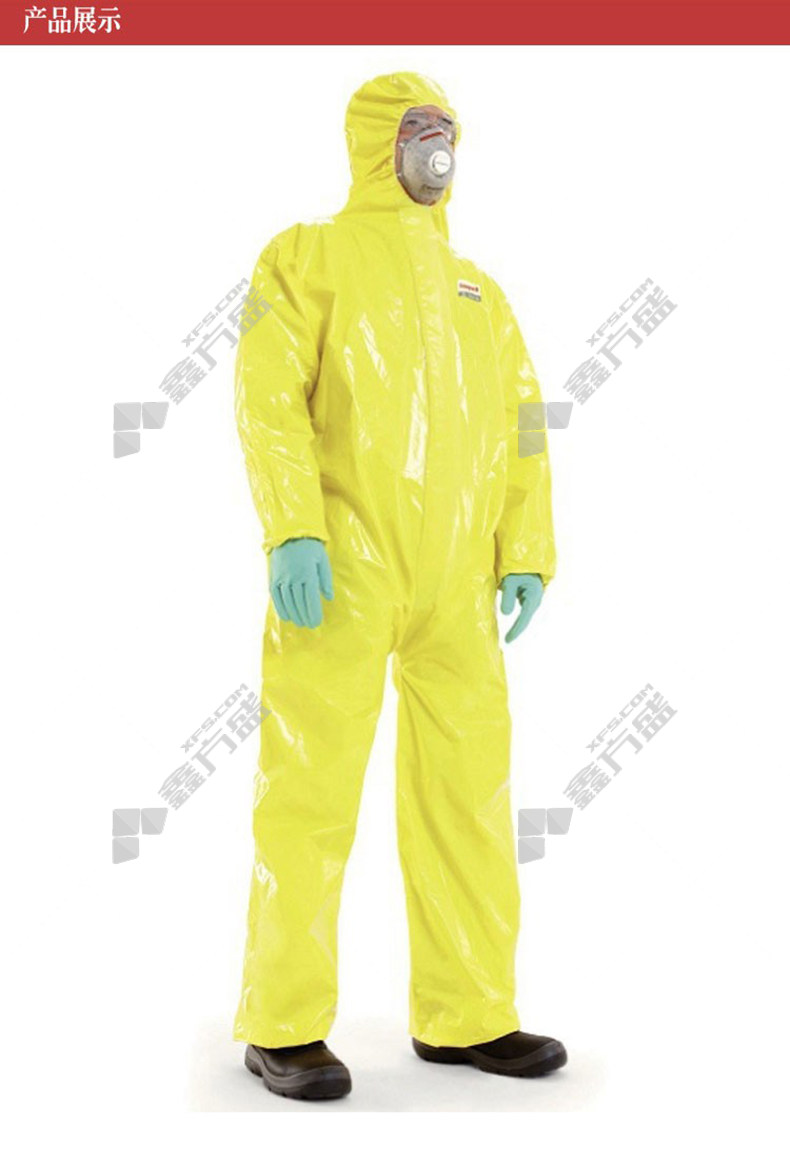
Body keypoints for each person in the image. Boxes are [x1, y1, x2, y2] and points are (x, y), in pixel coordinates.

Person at [234, 72, 565, 1101]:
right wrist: (293, 528)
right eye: (418, 131)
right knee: (310, 790)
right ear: (377, 142)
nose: (436, 151)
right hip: (342, 569)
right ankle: (282, 1022)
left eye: (447, 133)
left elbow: (520, 423)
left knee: (468, 795)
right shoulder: (307, 258)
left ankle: (469, 1013)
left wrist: (526, 547)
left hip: (457, 583)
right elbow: (268, 395)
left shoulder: (479, 293)